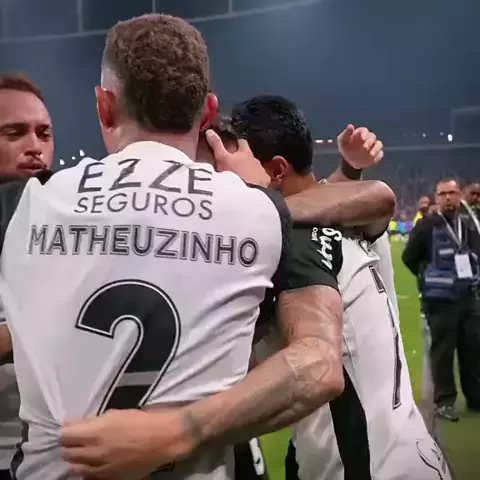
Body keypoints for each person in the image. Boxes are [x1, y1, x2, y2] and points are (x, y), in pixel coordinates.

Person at [0, 14, 349, 480]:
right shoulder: (261, 212)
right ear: (208, 113)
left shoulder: (31, 202)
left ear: (104, 106)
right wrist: (181, 430)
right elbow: (320, 365)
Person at [228, 95, 451, 480]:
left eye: (231, 164)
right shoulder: (351, 218)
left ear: (276, 169)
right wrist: (348, 169)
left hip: (355, 469)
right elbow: (374, 197)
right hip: (415, 455)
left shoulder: (292, 243)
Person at [0, 73, 54, 480]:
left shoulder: (73, 222)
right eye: (15, 133)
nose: (35, 146)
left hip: (51, 457)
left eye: (44, 133)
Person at [403, 179, 480, 422]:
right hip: (440, 301)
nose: (448, 197)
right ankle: (445, 401)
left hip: (468, 296)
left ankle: (476, 397)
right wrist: (427, 276)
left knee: (473, 349)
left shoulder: (468, 224)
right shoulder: (427, 225)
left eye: (452, 193)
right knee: (443, 353)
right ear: (437, 198)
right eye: (443, 193)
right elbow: (409, 257)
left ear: (459, 195)